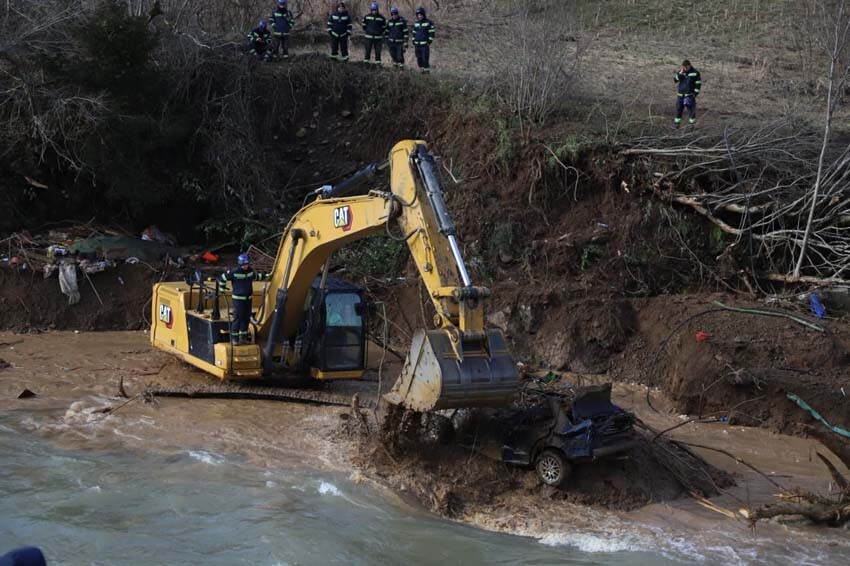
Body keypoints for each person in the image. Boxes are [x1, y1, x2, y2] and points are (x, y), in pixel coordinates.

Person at [219, 254, 269, 344]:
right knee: (238, 318)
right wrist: (222, 289)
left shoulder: (250, 271)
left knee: (246, 319)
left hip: (248, 299)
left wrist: (267, 275)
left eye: (247, 264)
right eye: (244, 264)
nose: (246, 266)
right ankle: (234, 339)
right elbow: (222, 278)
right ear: (240, 264)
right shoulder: (234, 272)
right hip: (238, 300)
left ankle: (243, 338)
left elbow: (256, 276)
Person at [674, 59, 701, 127]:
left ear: (689, 66)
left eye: (686, 67)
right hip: (680, 96)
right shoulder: (681, 72)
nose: (685, 68)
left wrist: (694, 94)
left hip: (689, 96)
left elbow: (698, 84)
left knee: (691, 112)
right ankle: (677, 124)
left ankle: (692, 126)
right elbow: (675, 80)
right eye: (684, 67)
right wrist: (680, 74)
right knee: (678, 110)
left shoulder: (695, 73)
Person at [412, 7, 435, 73]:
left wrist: (429, 41)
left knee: (425, 59)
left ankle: (427, 73)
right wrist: (413, 40)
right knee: (419, 59)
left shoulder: (428, 22)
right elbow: (414, 32)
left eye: (421, 15)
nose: (420, 16)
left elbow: (432, 32)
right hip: (417, 45)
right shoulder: (416, 22)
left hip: (424, 45)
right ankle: (422, 71)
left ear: (423, 15)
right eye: (418, 15)